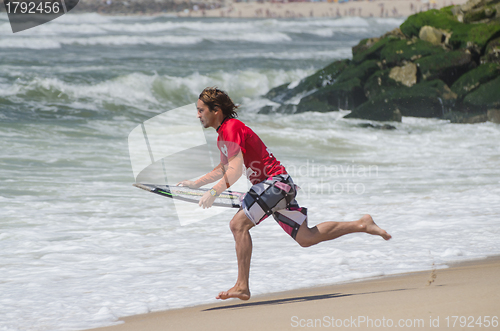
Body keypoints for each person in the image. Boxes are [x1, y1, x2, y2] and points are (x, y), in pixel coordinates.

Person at [177, 87, 392, 301]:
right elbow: (224, 168)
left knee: (238, 224)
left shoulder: (231, 127)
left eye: (200, 110)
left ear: (216, 110)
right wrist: (197, 184)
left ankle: (242, 285)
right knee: (306, 238)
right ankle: (362, 224)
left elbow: (234, 170)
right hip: (277, 187)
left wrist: (214, 192)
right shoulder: (223, 135)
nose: (197, 115)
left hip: (274, 184)